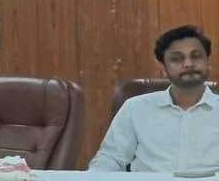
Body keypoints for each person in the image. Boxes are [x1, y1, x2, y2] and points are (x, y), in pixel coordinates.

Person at [89, 24, 218, 173]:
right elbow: (111, 158)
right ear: (163, 68)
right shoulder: (135, 108)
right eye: (177, 59)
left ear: (208, 62)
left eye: (196, 56)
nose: (188, 64)